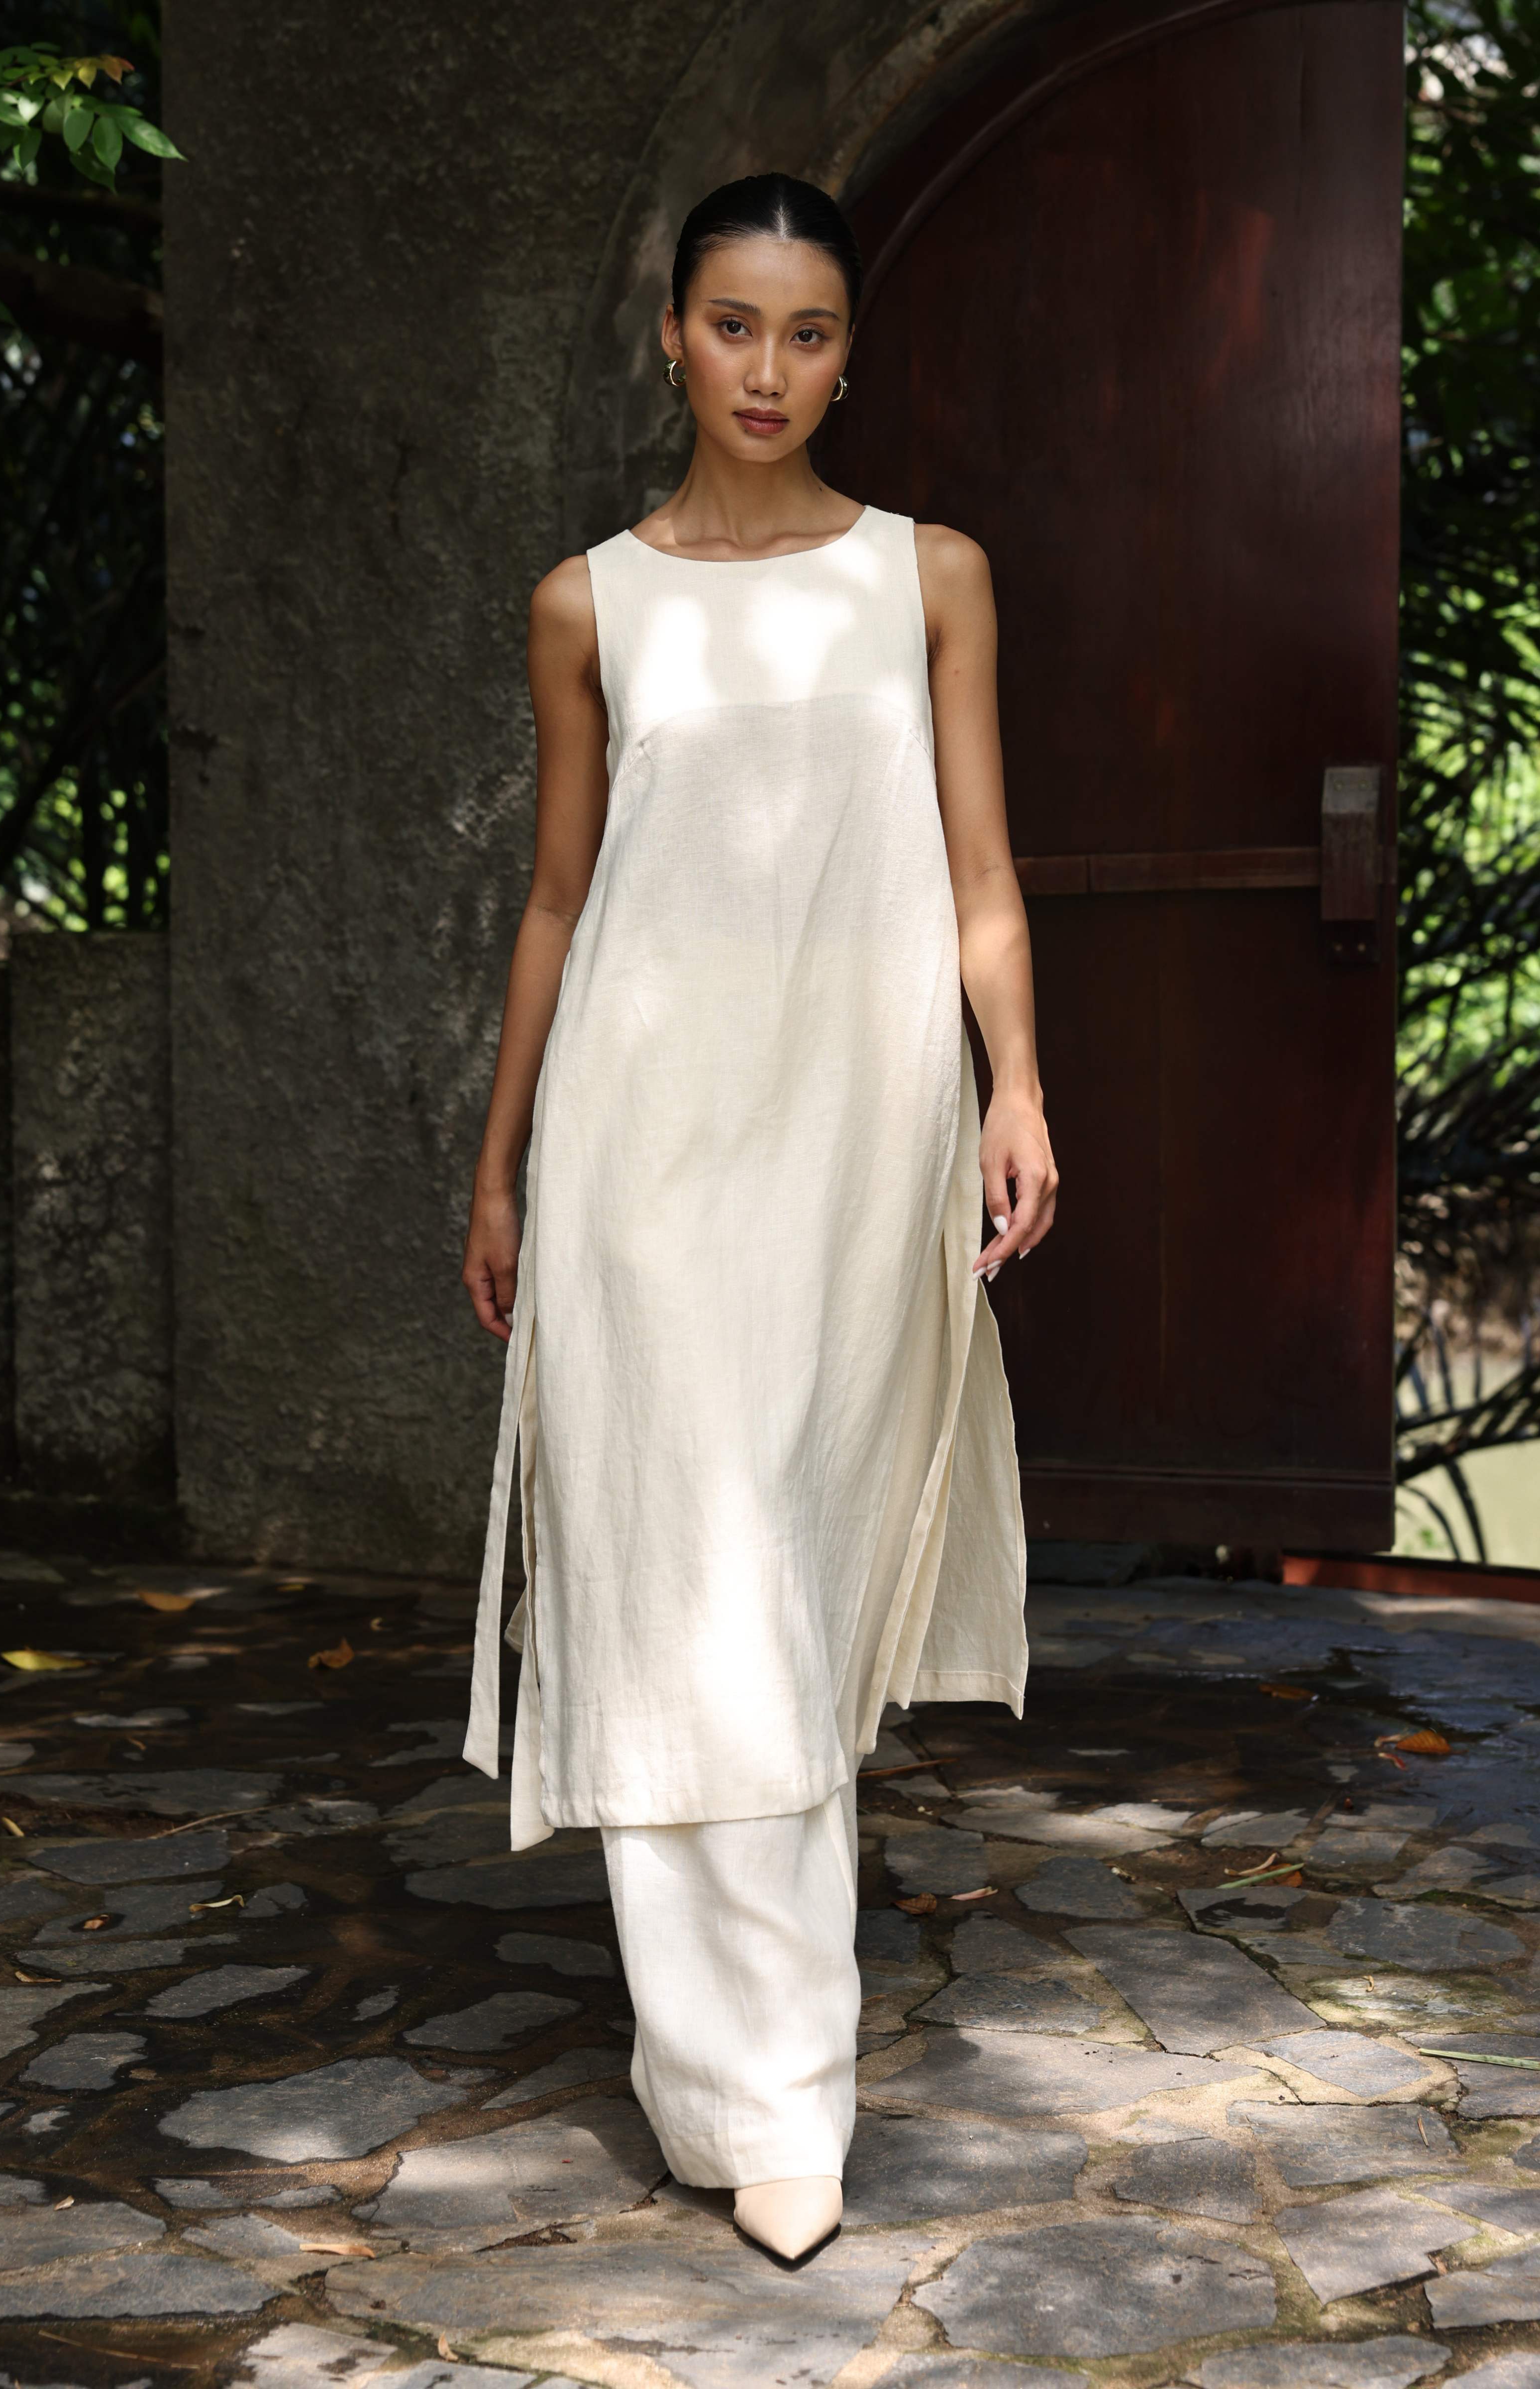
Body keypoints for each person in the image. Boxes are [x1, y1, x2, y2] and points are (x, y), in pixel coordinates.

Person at [459, 171, 1057, 2264]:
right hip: (638, 1149)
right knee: (666, 1580)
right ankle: (746, 2088)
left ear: (845, 352)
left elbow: (977, 874)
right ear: (671, 335)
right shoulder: (587, 605)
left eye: (806, 334)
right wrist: (502, 1155)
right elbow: (556, 901)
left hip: (845, 1140)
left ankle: (757, 2077)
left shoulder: (929, 579)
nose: (768, 371)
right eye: (733, 326)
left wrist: (1017, 1085)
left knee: (774, 1587)